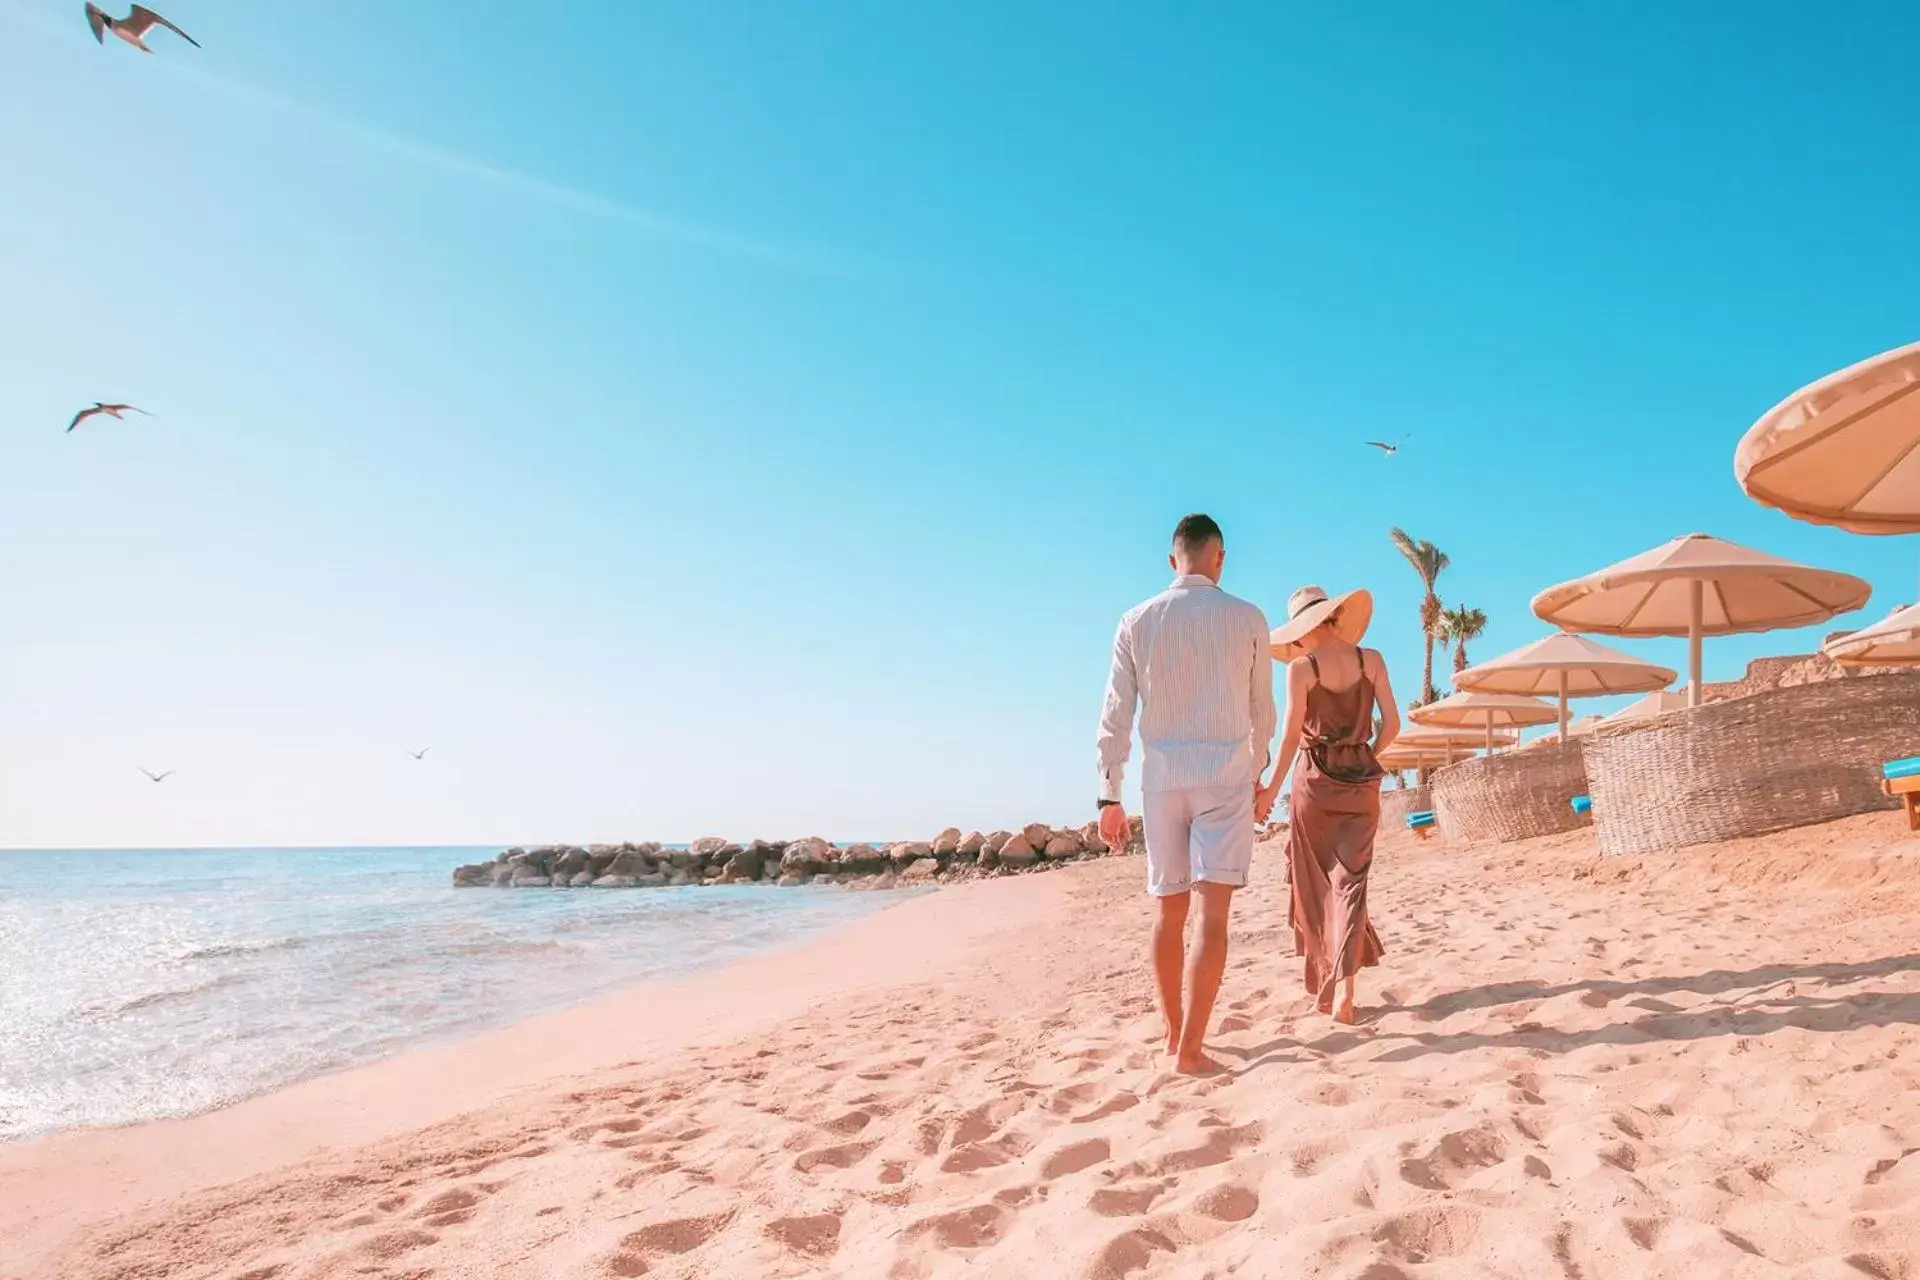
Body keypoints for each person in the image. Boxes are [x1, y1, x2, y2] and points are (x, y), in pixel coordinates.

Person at [1096, 514, 1276, 1074]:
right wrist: (1259, 770)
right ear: (1219, 557)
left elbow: (1116, 713)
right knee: (1212, 917)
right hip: (1224, 775)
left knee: (1167, 913)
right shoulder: (1248, 617)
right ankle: (1192, 1049)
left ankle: (1174, 1034)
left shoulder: (1136, 620)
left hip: (1161, 779)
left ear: (1173, 559)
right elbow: (1262, 712)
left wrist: (1109, 795)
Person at [1258, 585, 1400, 1025]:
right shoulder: (1370, 659)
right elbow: (1393, 725)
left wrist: (1267, 794)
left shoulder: (1301, 669)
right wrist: (1365, 758)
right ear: (1335, 618)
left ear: (1301, 634)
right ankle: (1346, 992)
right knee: (1351, 884)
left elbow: (1288, 738)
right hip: (1362, 782)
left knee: (1317, 886)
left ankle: (1333, 983)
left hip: (1314, 783)